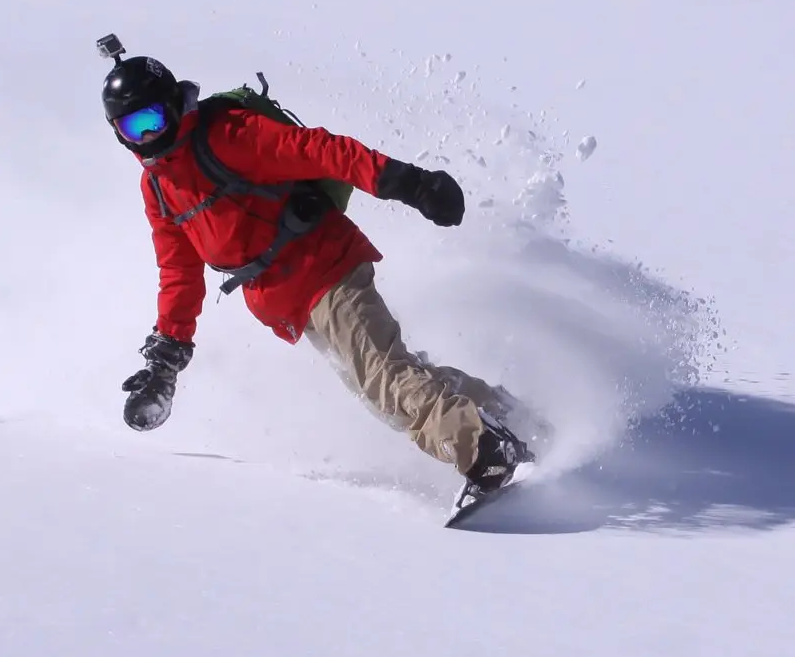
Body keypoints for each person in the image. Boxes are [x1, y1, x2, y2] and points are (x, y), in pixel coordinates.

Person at [100, 43, 533, 511]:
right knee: (386, 384)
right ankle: (512, 418)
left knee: (384, 379)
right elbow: (178, 273)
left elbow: (322, 152)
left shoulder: (226, 134)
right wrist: (164, 362)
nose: (147, 137)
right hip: (288, 301)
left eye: (154, 121)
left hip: (325, 265)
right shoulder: (159, 187)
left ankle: (488, 455)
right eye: (133, 128)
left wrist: (412, 184)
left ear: (173, 105)